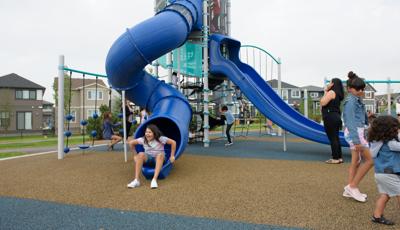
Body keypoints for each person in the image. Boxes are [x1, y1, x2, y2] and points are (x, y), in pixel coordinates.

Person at [342, 71, 374, 202]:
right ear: (349, 89)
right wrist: (356, 141)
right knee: (370, 160)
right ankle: (353, 186)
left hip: (357, 131)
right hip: (355, 133)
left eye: (362, 89)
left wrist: (367, 120)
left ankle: (349, 189)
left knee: (356, 162)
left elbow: (358, 117)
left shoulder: (357, 99)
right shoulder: (351, 102)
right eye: (358, 89)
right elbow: (350, 122)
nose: (361, 91)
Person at [368, 115, 400, 225]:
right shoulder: (391, 143)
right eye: (396, 128)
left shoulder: (378, 142)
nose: (398, 129)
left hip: (380, 173)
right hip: (389, 174)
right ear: (389, 130)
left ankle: (377, 216)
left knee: (385, 195)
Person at [127, 124, 176, 189]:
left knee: (160, 155)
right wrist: (135, 155)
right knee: (141, 154)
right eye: (146, 132)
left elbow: (173, 142)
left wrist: (172, 156)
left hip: (159, 159)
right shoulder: (143, 139)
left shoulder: (160, 138)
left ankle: (154, 179)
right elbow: (131, 143)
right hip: (149, 158)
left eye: (150, 132)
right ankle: (136, 180)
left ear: (154, 133)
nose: (147, 134)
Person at [320, 78, 344, 164]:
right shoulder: (338, 94)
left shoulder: (331, 92)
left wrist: (326, 89)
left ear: (333, 84)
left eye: (330, 82)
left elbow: (322, 102)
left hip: (330, 117)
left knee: (332, 138)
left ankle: (335, 158)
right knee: (336, 137)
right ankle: (339, 157)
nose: (329, 83)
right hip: (336, 117)